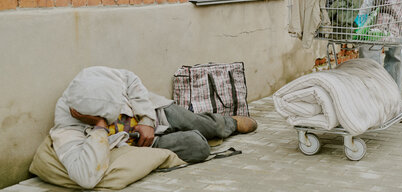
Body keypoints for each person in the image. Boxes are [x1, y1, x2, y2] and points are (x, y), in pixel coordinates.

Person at [49, 66, 257, 189]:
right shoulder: (66, 130)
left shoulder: (94, 76)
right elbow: (86, 178)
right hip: (145, 144)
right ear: (88, 116)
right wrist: (100, 128)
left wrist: (146, 120)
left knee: (205, 125)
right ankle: (198, 132)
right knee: (199, 147)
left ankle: (229, 123)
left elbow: (130, 80)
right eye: (104, 117)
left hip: (155, 112)